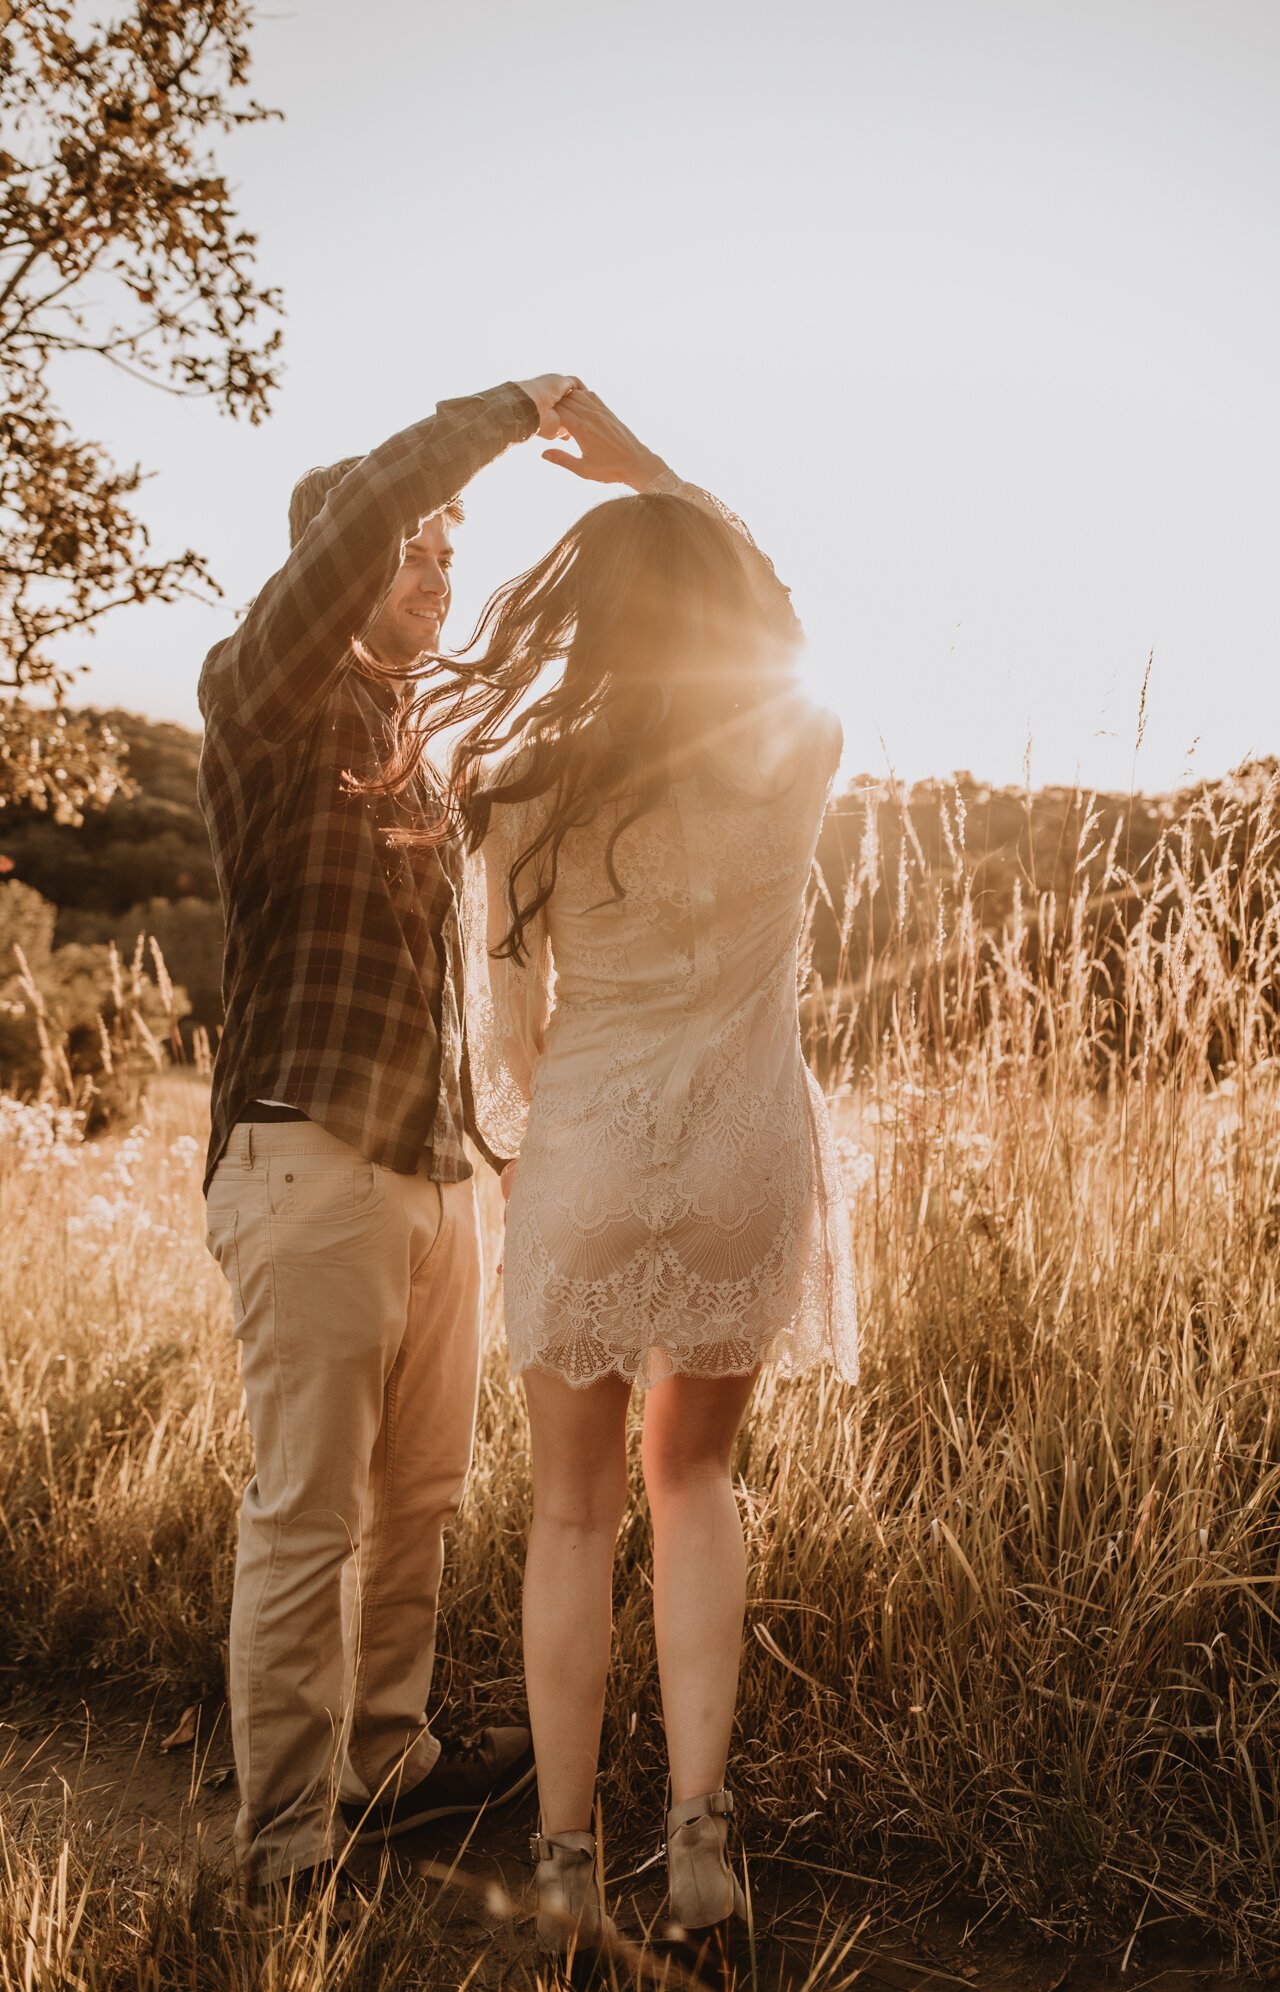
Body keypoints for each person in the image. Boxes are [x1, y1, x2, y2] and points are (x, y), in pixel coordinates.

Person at [380, 389, 859, 1972]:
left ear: (581, 616)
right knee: (696, 1482)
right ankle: (705, 1846)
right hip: (743, 1151)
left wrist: (581, 1115)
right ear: (715, 611)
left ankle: (570, 1859)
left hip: (590, 1152)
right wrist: (659, 477)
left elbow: (509, 1042)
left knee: (574, 1513)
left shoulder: (522, 787)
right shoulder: (793, 750)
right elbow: (775, 610)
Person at [197, 372, 581, 1910]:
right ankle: (286, 1840)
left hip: (431, 1175)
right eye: (409, 548)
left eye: (446, 554)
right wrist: (502, 410)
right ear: (332, 565)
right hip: (304, 1163)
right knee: (306, 1504)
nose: (433, 573)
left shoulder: (419, 745)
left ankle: (385, 1761)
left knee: (420, 1492)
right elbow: (356, 517)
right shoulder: (266, 698)